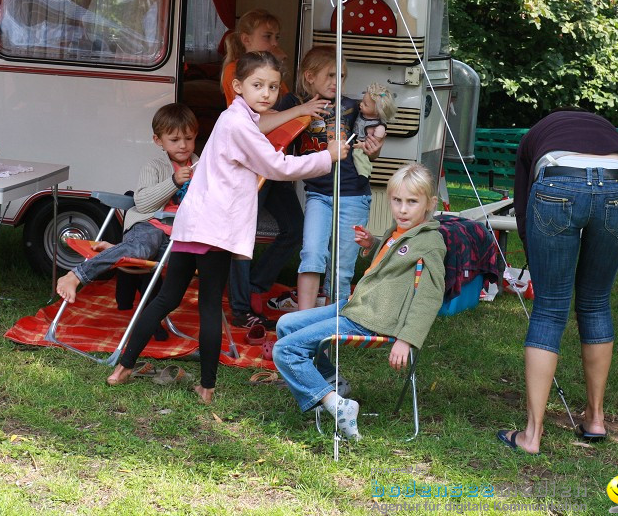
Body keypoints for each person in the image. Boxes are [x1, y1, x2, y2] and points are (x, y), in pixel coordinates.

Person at [106, 51, 348, 404]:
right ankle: (206, 387)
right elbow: (277, 166)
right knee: (208, 306)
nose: (266, 93)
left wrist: (297, 111)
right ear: (238, 86)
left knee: (165, 299)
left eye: (273, 87)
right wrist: (329, 155)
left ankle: (123, 367)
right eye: (257, 86)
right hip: (214, 230)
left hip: (192, 226)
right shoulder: (239, 124)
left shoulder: (234, 116)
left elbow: (260, 126)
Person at [498, 108, 618, 454]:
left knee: (549, 309)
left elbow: (523, 200)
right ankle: (595, 419)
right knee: (596, 301)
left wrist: (531, 250)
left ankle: (531, 436)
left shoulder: (534, 136)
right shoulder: (610, 132)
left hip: (557, 182)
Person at [272, 164, 446, 440]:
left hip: (372, 319)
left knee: (284, 351)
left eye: (412, 202)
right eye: (397, 200)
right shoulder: (400, 231)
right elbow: (392, 261)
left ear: (430, 204)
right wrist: (372, 244)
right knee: (286, 324)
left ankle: (337, 405)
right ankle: (332, 384)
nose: (402, 209)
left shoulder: (430, 243)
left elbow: (430, 296)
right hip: (356, 306)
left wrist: (407, 338)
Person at [220, 9, 332, 328]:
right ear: (246, 41)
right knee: (242, 237)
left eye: (277, 38)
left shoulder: (271, 77)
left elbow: (283, 115)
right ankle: (242, 306)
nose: (274, 42)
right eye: (267, 37)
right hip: (256, 166)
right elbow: (261, 121)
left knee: (293, 228)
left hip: (273, 163)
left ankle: (255, 287)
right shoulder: (235, 72)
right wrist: (301, 108)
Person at [274, 45, 384, 311]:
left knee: (341, 266)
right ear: (310, 77)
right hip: (319, 195)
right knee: (311, 253)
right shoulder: (295, 104)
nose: (338, 82)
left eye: (342, 77)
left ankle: (331, 322)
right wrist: (302, 109)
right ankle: (302, 320)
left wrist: (376, 146)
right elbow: (266, 120)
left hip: (354, 194)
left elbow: (372, 149)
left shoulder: (351, 107)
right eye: (331, 75)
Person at [55, 103, 198, 305]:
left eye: (189, 138)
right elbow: (143, 203)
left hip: (178, 233)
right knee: (141, 249)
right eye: (174, 140)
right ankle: (75, 276)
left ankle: (117, 250)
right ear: (159, 141)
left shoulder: (200, 168)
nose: (183, 145)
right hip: (150, 225)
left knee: (179, 259)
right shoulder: (155, 167)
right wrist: (173, 182)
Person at [352, 82, 395, 179]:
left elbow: (373, 144)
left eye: (365, 105)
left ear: (377, 110)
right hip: (353, 140)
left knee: (359, 157)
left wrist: (362, 146)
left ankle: (363, 175)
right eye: (362, 101)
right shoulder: (360, 114)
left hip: (362, 145)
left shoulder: (379, 127)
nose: (361, 104)